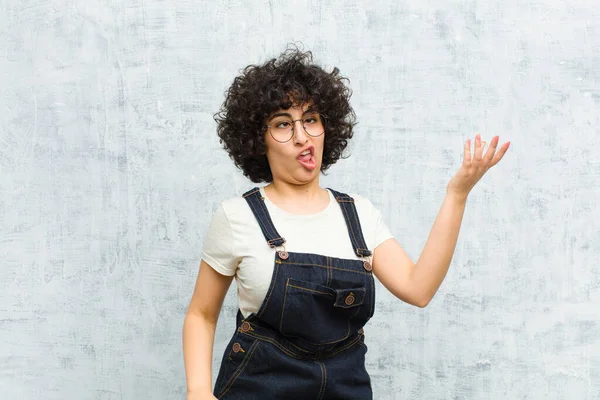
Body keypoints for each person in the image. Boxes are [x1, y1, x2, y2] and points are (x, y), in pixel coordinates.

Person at [182, 47, 510, 400]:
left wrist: (457, 194)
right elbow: (201, 314)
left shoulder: (359, 215)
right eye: (282, 124)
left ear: (327, 127)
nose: (301, 136)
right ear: (257, 140)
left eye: (310, 119)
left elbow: (419, 288)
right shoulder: (237, 217)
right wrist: (198, 392)